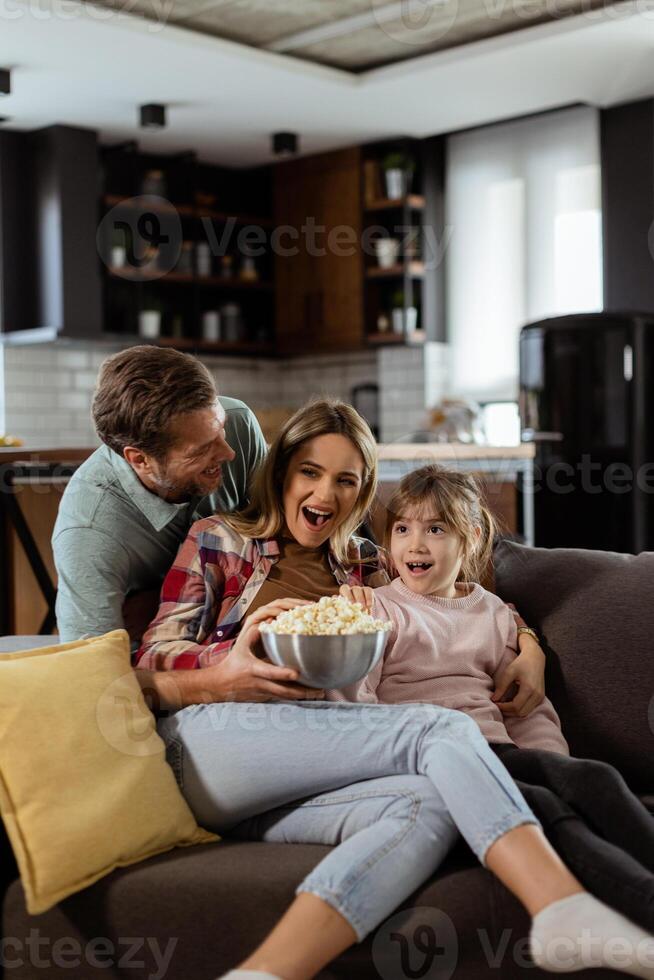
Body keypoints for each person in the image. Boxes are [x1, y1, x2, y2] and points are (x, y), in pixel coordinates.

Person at [135, 400, 650, 980]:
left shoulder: (365, 564)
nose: (325, 495)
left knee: (431, 804)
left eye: (346, 480)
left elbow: (445, 601)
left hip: (311, 769)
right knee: (439, 727)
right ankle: (560, 909)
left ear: (362, 492)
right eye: (310, 471)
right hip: (220, 743)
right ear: (281, 472)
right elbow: (149, 660)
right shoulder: (220, 539)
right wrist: (229, 664)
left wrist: (528, 646)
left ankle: (264, 973)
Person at [338, 463, 654, 938]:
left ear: (471, 537)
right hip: (438, 764)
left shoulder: (491, 611)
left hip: (503, 753)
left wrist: (551, 763)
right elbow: (357, 703)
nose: (415, 544)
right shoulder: (377, 608)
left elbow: (525, 709)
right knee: (552, 815)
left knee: (593, 779)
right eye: (402, 528)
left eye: (436, 529)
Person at [52, 346, 266, 645]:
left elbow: (286, 544)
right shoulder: (89, 531)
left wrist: (166, 601)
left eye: (221, 429)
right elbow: (91, 673)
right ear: (140, 460)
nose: (229, 453)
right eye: (202, 450)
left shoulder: (239, 422)